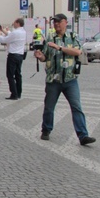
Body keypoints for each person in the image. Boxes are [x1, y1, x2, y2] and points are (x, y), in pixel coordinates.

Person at [34, 13, 96, 146]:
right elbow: (46, 57)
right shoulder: (50, 38)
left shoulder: (72, 37)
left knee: (76, 107)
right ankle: (46, 130)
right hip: (53, 79)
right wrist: (40, 56)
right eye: (54, 22)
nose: (56, 24)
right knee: (49, 107)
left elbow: (78, 52)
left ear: (65, 22)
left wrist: (60, 48)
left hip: (70, 79)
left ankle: (83, 135)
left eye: (58, 22)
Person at [0, 18, 27, 100]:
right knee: (18, 75)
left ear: (18, 23)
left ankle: (14, 94)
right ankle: (18, 93)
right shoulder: (23, 32)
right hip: (20, 55)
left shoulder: (15, 32)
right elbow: (11, 35)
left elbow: (4, 39)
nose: (13, 24)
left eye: (14, 22)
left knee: (10, 75)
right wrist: (3, 30)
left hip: (13, 56)